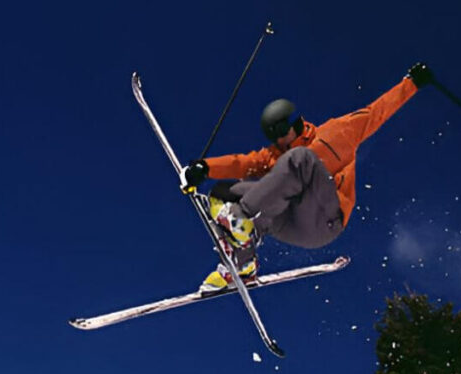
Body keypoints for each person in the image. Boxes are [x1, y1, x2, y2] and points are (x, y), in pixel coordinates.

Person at [182, 63, 434, 292]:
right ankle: (241, 264)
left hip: (325, 218)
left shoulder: (336, 133)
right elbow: (244, 163)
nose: (279, 141)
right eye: (273, 137)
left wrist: (411, 83)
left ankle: (240, 218)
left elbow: (375, 113)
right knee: (224, 192)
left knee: (299, 160)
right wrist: (204, 168)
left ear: (296, 123)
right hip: (293, 221)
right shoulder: (276, 154)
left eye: (281, 132)